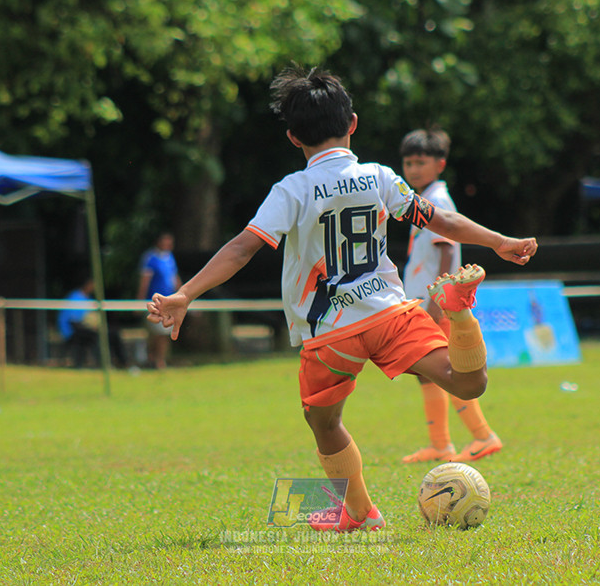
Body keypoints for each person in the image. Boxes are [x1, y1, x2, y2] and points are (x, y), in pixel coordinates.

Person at [147, 65, 537, 533]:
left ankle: (359, 513)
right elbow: (440, 221)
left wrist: (185, 293)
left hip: (330, 330)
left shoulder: (291, 190)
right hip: (390, 311)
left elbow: (242, 247)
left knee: (323, 421)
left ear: (293, 138)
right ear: (352, 123)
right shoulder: (378, 177)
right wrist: (499, 241)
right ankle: (459, 314)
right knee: (468, 383)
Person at [399, 128, 503, 464]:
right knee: (428, 372)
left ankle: (482, 435)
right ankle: (440, 444)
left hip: (435, 305)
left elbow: (446, 251)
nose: (413, 169)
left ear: (440, 164)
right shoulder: (423, 198)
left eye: (420, 162)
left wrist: (437, 303)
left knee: (448, 372)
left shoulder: (437, 201)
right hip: (423, 301)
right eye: (408, 162)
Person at [57, 273, 129, 369]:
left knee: (114, 334)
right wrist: (93, 327)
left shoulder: (88, 299)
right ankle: (104, 365)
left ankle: (123, 363)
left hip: (87, 329)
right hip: (72, 331)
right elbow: (74, 322)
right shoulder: (74, 298)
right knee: (98, 336)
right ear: (87, 284)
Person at [137, 233, 181, 369]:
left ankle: (159, 360)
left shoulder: (170, 258)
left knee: (163, 333)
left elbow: (175, 278)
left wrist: (183, 296)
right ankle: (153, 359)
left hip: (169, 302)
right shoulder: (150, 258)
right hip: (154, 302)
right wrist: (139, 300)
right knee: (155, 333)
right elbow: (145, 281)